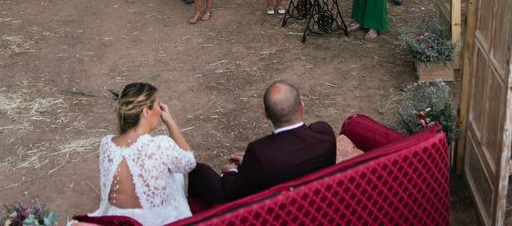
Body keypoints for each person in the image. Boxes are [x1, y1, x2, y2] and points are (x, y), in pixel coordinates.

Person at [188, 80, 336, 205]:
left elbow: (233, 191)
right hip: (316, 202)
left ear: (265, 114)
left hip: (274, 211)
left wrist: (231, 171)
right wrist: (250, 163)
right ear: (302, 106)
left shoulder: (260, 152)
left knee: (198, 171)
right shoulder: (325, 133)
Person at [72, 82, 195, 226]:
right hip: (156, 221)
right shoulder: (161, 144)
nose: (161, 110)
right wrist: (170, 122)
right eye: (158, 104)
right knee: (175, 170)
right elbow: (190, 162)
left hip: (117, 218)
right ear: (146, 111)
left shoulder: (106, 144)